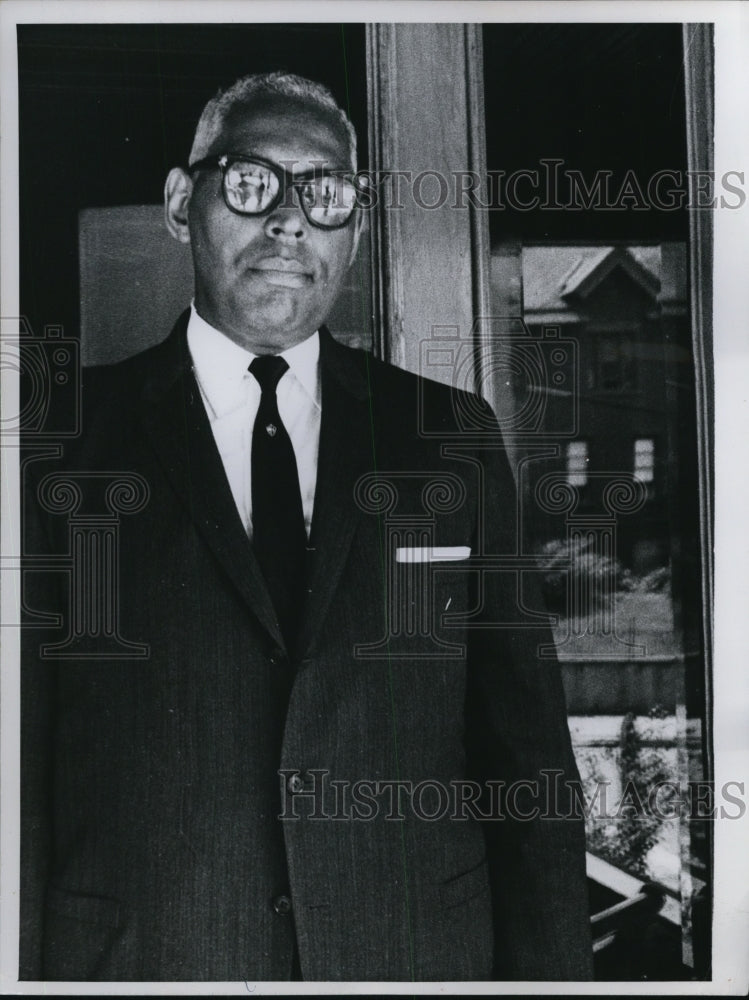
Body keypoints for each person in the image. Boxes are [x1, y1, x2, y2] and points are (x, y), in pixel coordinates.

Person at [20, 72, 593, 982]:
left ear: (356, 230)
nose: (290, 221)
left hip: (409, 959)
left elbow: (526, 760)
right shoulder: (55, 449)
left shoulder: (445, 440)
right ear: (180, 203)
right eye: (252, 183)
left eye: (324, 194)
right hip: (149, 960)